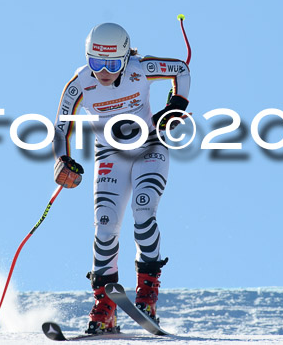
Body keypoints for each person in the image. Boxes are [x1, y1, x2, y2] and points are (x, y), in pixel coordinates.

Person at [52, 22, 191, 334]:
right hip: (109, 154)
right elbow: (60, 129)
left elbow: (181, 70)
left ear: (125, 59)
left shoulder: (140, 69)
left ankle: (147, 298)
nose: (103, 71)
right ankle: (105, 308)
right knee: (105, 225)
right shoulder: (79, 84)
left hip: (149, 146)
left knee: (143, 211)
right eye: (95, 62)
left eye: (112, 64)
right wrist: (63, 160)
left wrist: (176, 106)